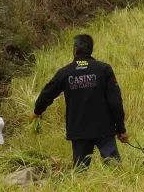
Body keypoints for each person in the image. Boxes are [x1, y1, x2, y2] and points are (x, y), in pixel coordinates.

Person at [33, 34, 128, 168]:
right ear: (91, 50)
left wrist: (37, 111)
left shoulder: (65, 72)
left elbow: (48, 93)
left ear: (75, 50)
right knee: (115, 168)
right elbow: (115, 101)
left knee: (80, 172)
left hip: (78, 130)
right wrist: (120, 129)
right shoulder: (103, 69)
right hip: (104, 128)